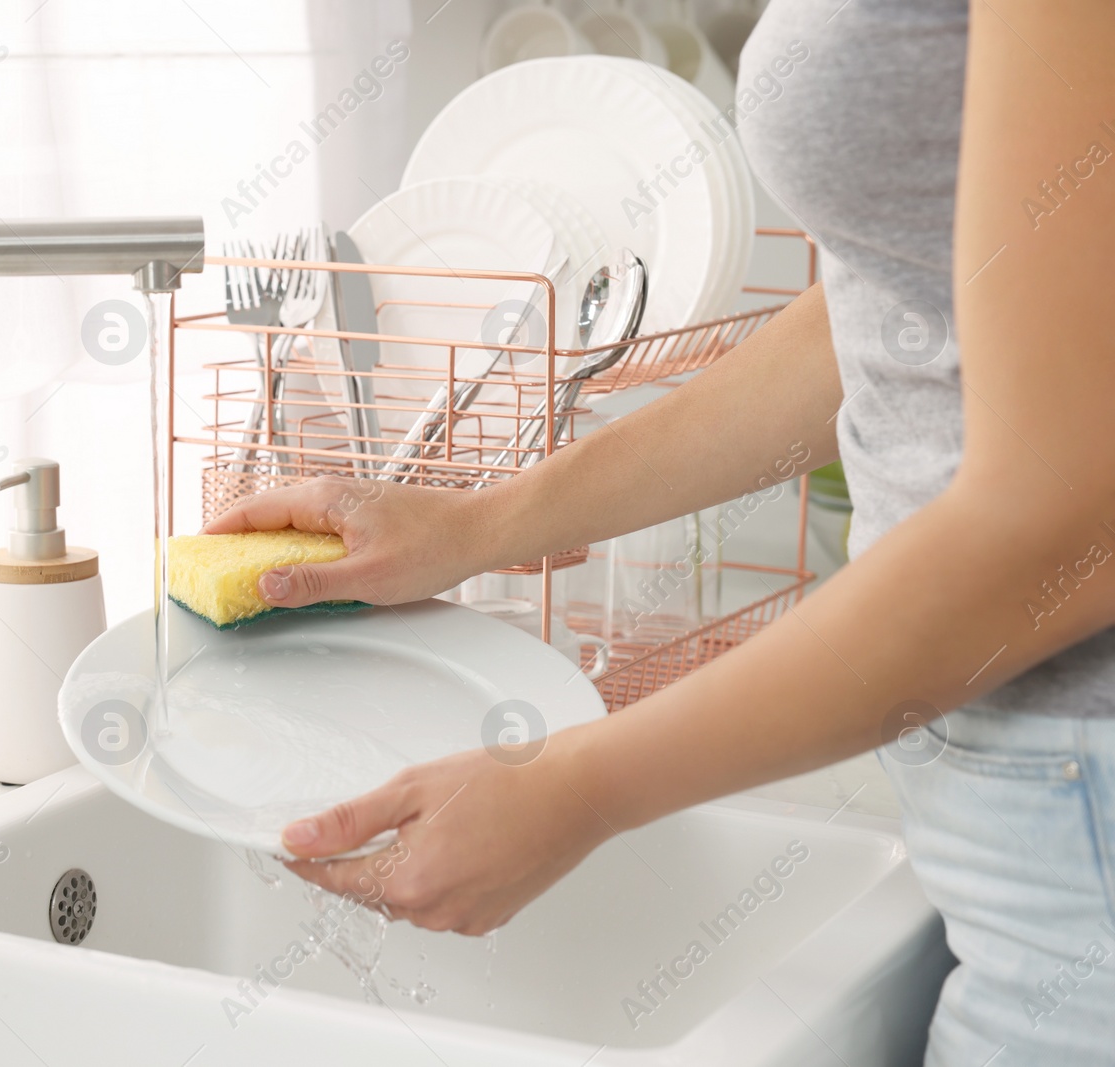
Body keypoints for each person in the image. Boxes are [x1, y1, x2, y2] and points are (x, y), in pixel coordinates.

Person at [205, 0, 1115, 1060]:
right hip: (1025, 801)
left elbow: (1059, 519)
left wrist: (575, 788)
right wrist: (479, 522)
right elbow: (896, 295)